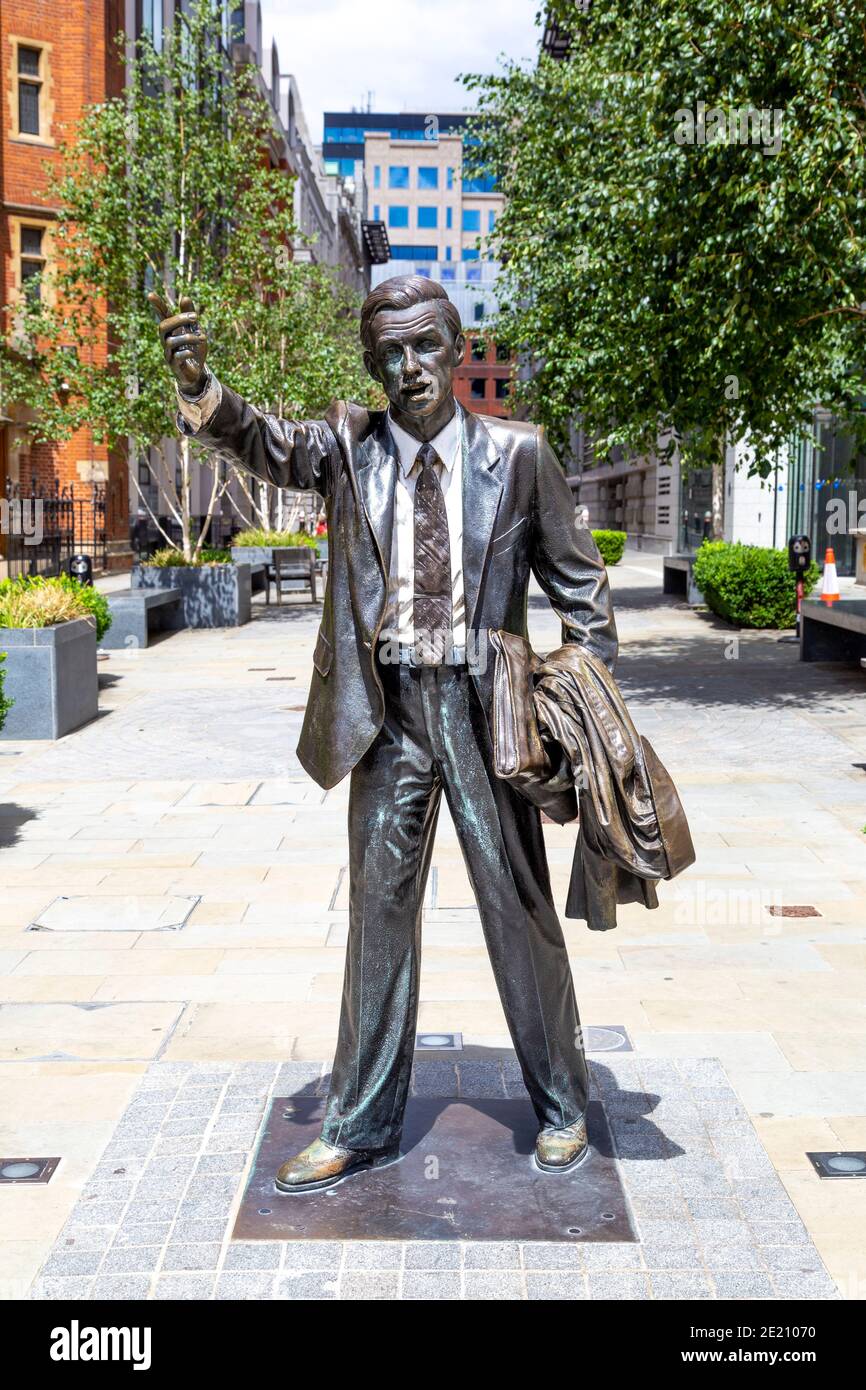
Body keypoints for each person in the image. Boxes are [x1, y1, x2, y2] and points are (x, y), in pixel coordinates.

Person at [150, 275, 617, 1191]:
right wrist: (203, 387)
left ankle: (563, 1102)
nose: (410, 369)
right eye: (391, 354)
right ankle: (360, 1123)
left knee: (517, 910)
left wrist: (577, 697)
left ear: (453, 350)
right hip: (389, 714)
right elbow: (261, 441)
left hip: (490, 716)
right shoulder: (346, 446)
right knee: (377, 922)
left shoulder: (518, 456)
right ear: (374, 364)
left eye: (426, 348)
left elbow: (583, 588)